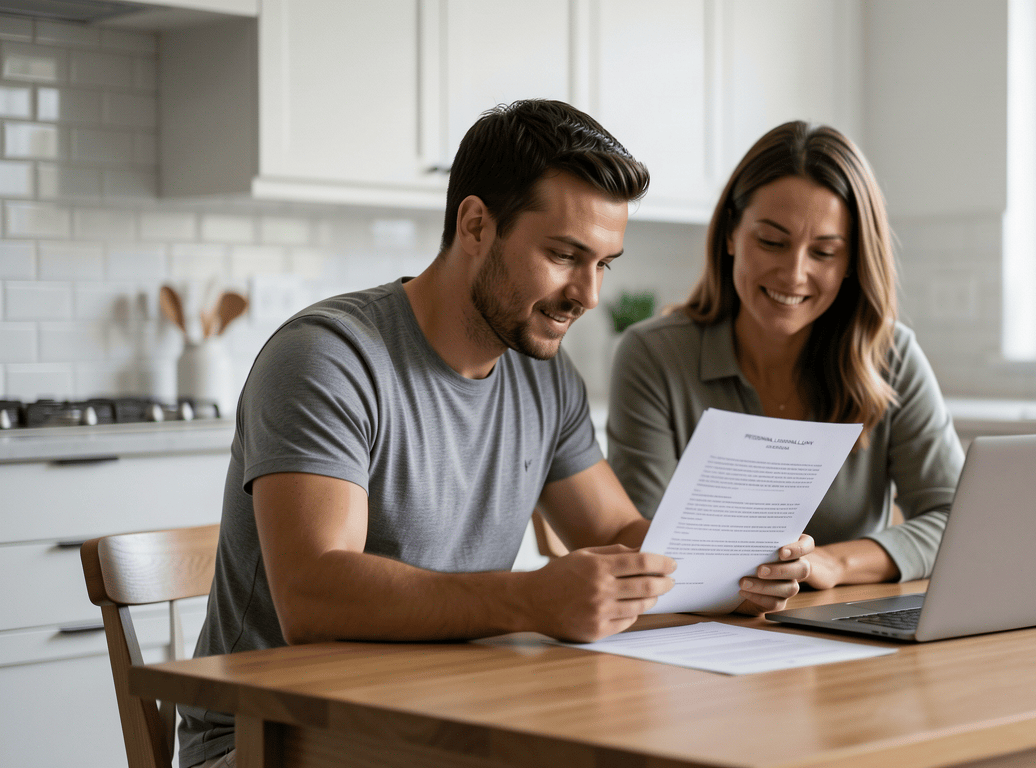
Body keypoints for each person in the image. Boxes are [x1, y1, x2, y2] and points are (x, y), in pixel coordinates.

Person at [179, 100, 813, 768]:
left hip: (444, 719)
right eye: (565, 255)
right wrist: (532, 598)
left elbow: (616, 533)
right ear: (476, 224)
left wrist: (735, 568)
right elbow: (314, 596)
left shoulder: (543, 375)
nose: (589, 295)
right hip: (271, 738)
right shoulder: (328, 358)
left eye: (604, 264)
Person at [607, 121, 964, 591]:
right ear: (731, 233)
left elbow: (957, 520)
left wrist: (834, 565)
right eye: (772, 242)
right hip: (703, 636)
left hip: (852, 639)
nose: (794, 273)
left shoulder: (892, 358)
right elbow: (644, 540)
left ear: (853, 261)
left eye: (824, 252)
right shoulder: (652, 357)